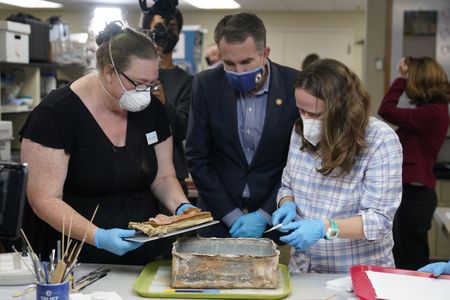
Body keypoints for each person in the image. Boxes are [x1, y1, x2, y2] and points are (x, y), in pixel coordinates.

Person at [19, 22, 195, 265]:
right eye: (138, 83)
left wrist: (181, 207)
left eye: (152, 84)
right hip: (76, 259)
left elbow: (163, 177)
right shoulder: (55, 114)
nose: (146, 92)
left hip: (143, 254)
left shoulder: (150, 109)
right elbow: (44, 199)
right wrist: (97, 236)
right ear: (110, 71)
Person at [272, 58, 403, 273]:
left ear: (341, 110)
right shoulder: (299, 133)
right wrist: (287, 204)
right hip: (304, 268)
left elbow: (378, 222)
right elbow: (287, 187)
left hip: (356, 273)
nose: (306, 120)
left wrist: (325, 227)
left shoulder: (380, 140)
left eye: (315, 114)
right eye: (300, 111)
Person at [186, 12, 300, 239]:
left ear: (265, 53)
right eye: (229, 63)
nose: (238, 72)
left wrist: (265, 214)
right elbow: (198, 157)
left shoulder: (294, 85)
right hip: (218, 217)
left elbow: (297, 162)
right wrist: (231, 215)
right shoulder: (206, 84)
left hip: (274, 219)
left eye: (247, 62)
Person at [378, 56, 450, 270]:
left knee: (411, 261)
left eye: (410, 79)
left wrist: (401, 79)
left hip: (415, 196)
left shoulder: (432, 113)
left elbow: (387, 110)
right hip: (411, 194)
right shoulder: (432, 110)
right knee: (405, 256)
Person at [140, 8, 192, 195]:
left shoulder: (186, 81)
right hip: (137, 170)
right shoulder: (133, 75)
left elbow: (182, 130)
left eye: (172, 27)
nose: (166, 32)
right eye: (160, 27)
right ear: (147, 31)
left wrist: (164, 102)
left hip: (172, 172)